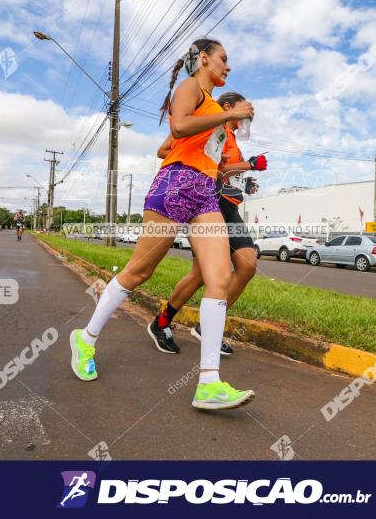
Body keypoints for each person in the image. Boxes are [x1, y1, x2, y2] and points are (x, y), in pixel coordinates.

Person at [68, 38, 256, 410]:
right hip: (173, 188)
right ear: (204, 59)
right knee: (139, 272)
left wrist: (240, 170)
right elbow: (180, 125)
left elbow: (208, 157)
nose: (228, 66)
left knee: (218, 277)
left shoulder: (216, 109)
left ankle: (209, 384)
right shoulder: (190, 88)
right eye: (223, 59)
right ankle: (85, 339)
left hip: (204, 193)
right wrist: (226, 116)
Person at [146, 91, 267, 356]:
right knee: (201, 274)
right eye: (244, 110)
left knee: (247, 265)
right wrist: (249, 164)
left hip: (229, 207)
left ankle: (207, 326)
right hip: (207, 204)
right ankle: (162, 322)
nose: (247, 116)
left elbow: (225, 171)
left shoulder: (232, 137)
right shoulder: (210, 123)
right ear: (227, 107)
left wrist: (246, 178)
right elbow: (165, 149)